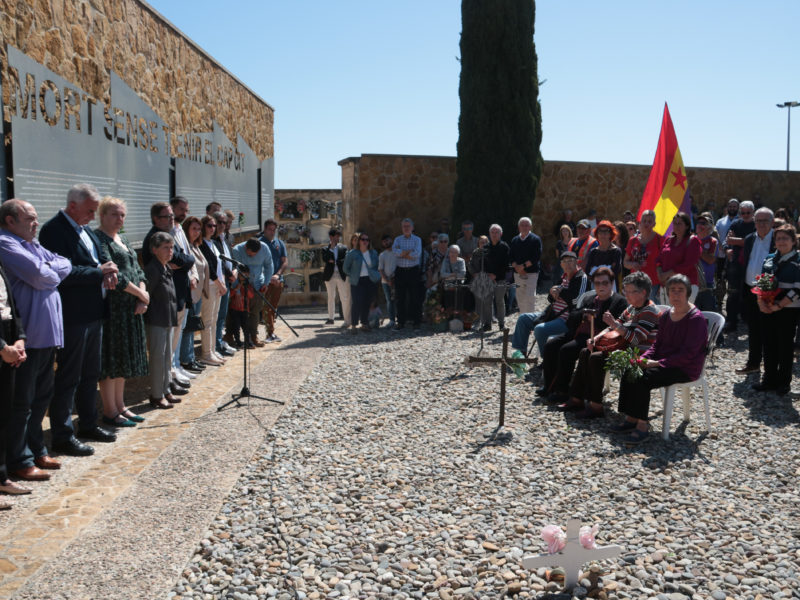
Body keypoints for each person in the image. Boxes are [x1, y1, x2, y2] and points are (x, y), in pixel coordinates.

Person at [38, 183, 118, 456]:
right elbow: (63, 273)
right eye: (90, 210)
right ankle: (62, 435)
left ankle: (88, 423)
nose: (93, 216)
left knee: (90, 374)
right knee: (69, 377)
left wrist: (107, 271)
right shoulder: (53, 231)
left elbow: (100, 258)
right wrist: (99, 272)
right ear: (73, 206)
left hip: (94, 312)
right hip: (73, 315)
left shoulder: (84, 229)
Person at [0, 199, 70, 480]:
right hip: (27, 338)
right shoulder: (6, 242)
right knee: (23, 403)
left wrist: (48, 270)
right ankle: (20, 459)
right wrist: (49, 271)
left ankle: (35, 447)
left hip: (47, 335)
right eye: (29, 218)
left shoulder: (31, 243)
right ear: (10, 220)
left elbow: (64, 264)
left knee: (42, 397)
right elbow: (39, 275)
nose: (36, 223)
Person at [613, 274, 708, 444]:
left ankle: (643, 426)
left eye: (680, 290)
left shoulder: (695, 319)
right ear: (667, 293)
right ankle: (631, 418)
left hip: (686, 367)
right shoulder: (666, 316)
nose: (676, 294)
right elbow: (657, 346)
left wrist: (656, 363)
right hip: (666, 362)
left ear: (688, 293)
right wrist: (642, 358)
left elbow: (688, 355)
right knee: (631, 368)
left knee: (643, 377)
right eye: (672, 290)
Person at [562, 271, 660, 418]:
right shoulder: (632, 307)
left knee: (596, 358)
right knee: (585, 351)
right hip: (624, 347)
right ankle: (577, 398)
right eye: (625, 291)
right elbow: (613, 326)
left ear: (643, 292)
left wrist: (615, 325)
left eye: (629, 291)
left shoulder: (649, 311)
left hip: (638, 352)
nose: (626, 295)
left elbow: (636, 339)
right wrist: (595, 338)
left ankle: (596, 405)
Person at [94, 197, 150, 428]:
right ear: (103, 215)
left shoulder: (124, 239)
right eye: (114, 214)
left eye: (122, 215)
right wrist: (140, 294)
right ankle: (110, 410)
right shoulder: (99, 239)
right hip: (114, 310)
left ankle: (121, 405)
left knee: (124, 360)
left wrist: (143, 296)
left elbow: (138, 270)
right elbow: (116, 277)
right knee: (113, 360)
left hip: (132, 308)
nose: (119, 219)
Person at [537, 268, 627, 400]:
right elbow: (572, 316)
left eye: (605, 283)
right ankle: (549, 385)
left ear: (612, 283)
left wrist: (596, 318)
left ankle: (562, 390)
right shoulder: (589, 298)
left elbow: (614, 327)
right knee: (550, 346)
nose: (601, 286)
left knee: (566, 350)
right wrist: (583, 315)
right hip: (577, 332)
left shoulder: (619, 301)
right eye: (597, 283)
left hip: (597, 338)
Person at [142, 202, 196, 393]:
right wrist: (182, 262)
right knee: (161, 351)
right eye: (167, 217)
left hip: (175, 298)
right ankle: (163, 386)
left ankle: (168, 380)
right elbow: (180, 261)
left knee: (170, 347)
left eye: (173, 216)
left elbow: (187, 260)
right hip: (160, 308)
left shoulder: (171, 235)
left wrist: (183, 262)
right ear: (156, 219)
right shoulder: (155, 239)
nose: (172, 219)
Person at [510, 251, 587, 373]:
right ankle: (521, 356)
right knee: (523, 318)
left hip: (568, 320)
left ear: (577, 262)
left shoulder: (581, 277)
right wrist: (552, 292)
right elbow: (551, 299)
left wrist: (560, 292)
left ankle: (548, 360)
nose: (567, 264)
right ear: (561, 264)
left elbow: (577, 301)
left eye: (570, 261)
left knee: (540, 329)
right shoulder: (562, 277)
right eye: (564, 262)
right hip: (551, 314)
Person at [754, 223, 800, 394]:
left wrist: (778, 306)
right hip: (767, 307)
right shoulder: (769, 258)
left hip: (787, 309)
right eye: (778, 238)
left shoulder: (797, 261)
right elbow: (761, 281)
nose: (781, 241)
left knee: (785, 346)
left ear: (793, 241)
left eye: (785, 238)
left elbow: (797, 289)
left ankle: (783, 382)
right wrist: (761, 302)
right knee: (769, 344)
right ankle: (769, 379)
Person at [0, 259, 28, 504]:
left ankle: (1, 478)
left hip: (8, 335)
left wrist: (19, 339)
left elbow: (12, 304)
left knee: (3, 414)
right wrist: (1, 348)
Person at [736, 207, 775, 375]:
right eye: (758, 220)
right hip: (751, 289)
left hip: (770, 291)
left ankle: (772, 368)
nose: (761, 224)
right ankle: (753, 363)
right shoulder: (751, 238)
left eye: (765, 221)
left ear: (772, 222)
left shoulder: (777, 239)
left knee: (769, 331)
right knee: (754, 330)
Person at [144, 232, 180, 409]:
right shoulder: (152, 269)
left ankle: (166, 390)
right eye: (165, 247)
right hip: (156, 319)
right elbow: (146, 294)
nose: (170, 251)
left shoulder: (166, 267)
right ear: (154, 249)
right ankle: (157, 394)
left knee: (167, 357)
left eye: (171, 247)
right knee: (158, 358)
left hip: (167, 318)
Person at [170, 196, 200, 381]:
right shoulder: (169, 231)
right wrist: (187, 263)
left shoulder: (180, 230)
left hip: (187, 284)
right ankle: (172, 368)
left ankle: (177, 365)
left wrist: (194, 275)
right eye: (181, 209)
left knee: (180, 329)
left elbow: (188, 257)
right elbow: (178, 260)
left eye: (186, 210)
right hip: (175, 286)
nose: (184, 213)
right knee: (174, 331)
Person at [198, 215, 229, 362]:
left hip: (217, 287)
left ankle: (212, 350)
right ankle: (206, 354)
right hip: (209, 286)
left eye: (214, 226)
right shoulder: (201, 244)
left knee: (215, 320)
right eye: (209, 226)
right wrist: (220, 284)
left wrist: (222, 284)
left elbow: (220, 265)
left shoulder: (213, 243)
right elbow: (209, 268)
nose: (212, 228)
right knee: (207, 321)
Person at [232, 237, 274, 345]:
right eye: (250, 254)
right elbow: (234, 270)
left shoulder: (265, 248)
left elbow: (269, 266)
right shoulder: (237, 250)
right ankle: (236, 337)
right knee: (239, 314)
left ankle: (254, 336)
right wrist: (237, 291)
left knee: (255, 312)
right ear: (246, 247)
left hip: (258, 286)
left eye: (255, 254)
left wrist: (266, 282)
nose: (253, 256)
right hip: (242, 287)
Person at [181, 216, 209, 373]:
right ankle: (186, 359)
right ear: (186, 229)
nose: (197, 232)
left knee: (192, 328)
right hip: (190, 293)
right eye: (194, 229)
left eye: (199, 229)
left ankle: (190, 357)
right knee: (188, 328)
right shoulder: (186, 247)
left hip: (198, 293)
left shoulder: (196, 246)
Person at [723, 200, 756, 332]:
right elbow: (727, 241)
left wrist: (736, 241)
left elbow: (753, 241)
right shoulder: (736, 223)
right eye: (743, 212)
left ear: (752, 212)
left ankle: (747, 318)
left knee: (749, 292)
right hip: (736, 263)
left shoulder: (756, 224)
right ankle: (731, 320)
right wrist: (727, 250)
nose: (746, 215)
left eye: (748, 212)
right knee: (733, 293)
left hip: (751, 263)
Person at [655, 212, 702, 302]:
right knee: (668, 314)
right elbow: (659, 259)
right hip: (666, 285)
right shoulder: (668, 240)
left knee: (682, 314)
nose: (676, 226)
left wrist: (667, 274)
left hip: (685, 286)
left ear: (687, 226)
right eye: (675, 224)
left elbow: (689, 264)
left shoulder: (693, 241)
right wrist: (659, 273)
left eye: (679, 223)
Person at [474, 224, 510, 330]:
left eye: (496, 232)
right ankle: (487, 324)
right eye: (492, 232)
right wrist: (488, 275)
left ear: (501, 234)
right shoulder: (485, 248)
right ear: (489, 234)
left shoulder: (504, 247)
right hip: (487, 279)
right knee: (487, 301)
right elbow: (482, 264)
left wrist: (495, 275)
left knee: (499, 301)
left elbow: (506, 264)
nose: (494, 234)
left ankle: (501, 324)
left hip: (500, 278)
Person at [212, 211, 238, 356]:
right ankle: (214, 346)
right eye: (220, 222)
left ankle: (219, 342)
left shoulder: (225, 238)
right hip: (218, 283)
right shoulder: (212, 240)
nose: (223, 225)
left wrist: (235, 271)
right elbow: (219, 262)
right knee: (214, 317)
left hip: (227, 282)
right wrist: (230, 274)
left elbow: (231, 257)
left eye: (225, 222)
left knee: (222, 315)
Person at [344, 232, 380, 332]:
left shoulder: (373, 253)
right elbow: (345, 268)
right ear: (359, 241)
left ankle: (364, 323)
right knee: (356, 303)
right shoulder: (352, 253)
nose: (365, 242)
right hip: (357, 281)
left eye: (367, 240)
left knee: (366, 302)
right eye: (363, 239)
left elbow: (376, 266)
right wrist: (353, 275)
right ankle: (354, 325)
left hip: (369, 280)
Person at [258, 219, 287, 342]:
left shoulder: (279, 243)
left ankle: (271, 332)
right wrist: (269, 278)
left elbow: (284, 261)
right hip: (265, 281)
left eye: (274, 230)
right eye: (270, 229)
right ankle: (270, 333)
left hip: (277, 280)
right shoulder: (259, 243)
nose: (272, 232)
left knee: (273, 307)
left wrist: (278, 275)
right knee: (266, 307)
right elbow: (257, 263)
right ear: (265, 229)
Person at [392, 218, 422, 330]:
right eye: (404, 226)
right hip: (400, 271)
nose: (406, 228)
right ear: (401, 228)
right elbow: (395, 251)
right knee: (400, 298)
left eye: (408, 226)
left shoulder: (417, 240)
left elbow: (417, 254)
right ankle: (400, 322)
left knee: (415, 297)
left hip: (413, 271)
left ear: (412, 228)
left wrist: (402, 253)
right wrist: (408, 252)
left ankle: (416, 321)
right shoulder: (397, 239)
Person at [624, 210, 661, 301]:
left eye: (649, 221)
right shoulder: (632, 241)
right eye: (644, 221)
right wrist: (632, 265)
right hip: (635, 285)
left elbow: (666, 264)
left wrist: (662, 285)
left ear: (654, 224)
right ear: (640, 222)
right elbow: (625, 262)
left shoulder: (660, 240)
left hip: (653, 285)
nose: (646, 224)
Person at [510, 217, 542, 314]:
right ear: (519, 227)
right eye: (522, 225)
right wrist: (517, 267)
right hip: (518, 274)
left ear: (530, 227)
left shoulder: (536, 239)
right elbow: (511, 256)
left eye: (526, 225)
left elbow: (536, 256)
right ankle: (523, 320)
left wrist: (522, 266)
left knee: (530, 297)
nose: (524, 227)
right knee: (520, 297)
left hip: (531, 274)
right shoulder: (515, 240)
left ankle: (530, 320)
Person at [714, 198, 740, 310]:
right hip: (721, 255)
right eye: (730, 206)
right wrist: (720, 245)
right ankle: (720, 301)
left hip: (735, 256)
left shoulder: (741, 221)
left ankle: (735, 304)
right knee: (720, 280)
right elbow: (716, 235)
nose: (732, 208)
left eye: (734, 206)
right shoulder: (720, 221)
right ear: (727, 207)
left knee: (734, 281)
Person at [322, 229, 351, 326]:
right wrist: (331, 248)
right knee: (331, 297)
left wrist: (335, 261)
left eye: (339, 236)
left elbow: (345, 259)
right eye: (336, 236)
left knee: (344, 297)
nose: (338, 238)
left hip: (341, 275)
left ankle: (347, 319)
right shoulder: (325, 248)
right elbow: (325, 258)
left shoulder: (343, 248)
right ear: (331, 237)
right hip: (330, 276)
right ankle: (331, 318)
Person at [584, 221, 623, 287]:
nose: (603, 234)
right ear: (597, 234)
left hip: (612, 286)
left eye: (606, 231)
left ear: (611, 234)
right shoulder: (593, 252)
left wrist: (595, 269)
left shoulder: (616, 251)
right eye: (600, 231)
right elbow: (588, 271)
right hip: (595, 286)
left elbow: (615, 271)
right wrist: (608, 268)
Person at [694, 212, 719, 311]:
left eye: (703, 223)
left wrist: (696, 248)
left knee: (708, 312)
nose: (700, 225)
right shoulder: (691, 239)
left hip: (707, 283)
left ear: (709, 228)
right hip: (692, 282)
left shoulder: (713, 241)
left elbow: (710, 260)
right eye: (699, 222)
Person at [440, 245, 467, 310]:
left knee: (459, 296)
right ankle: (448, 314)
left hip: (458, 284)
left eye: (455, 252)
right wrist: (454, 274)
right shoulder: (445, 261)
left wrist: (449, 275)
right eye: (451, 252)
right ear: (448, 253)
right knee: (448, 297)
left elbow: (463, 274)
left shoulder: (461, 261)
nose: (453, 254)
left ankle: (458, 314)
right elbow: (442, 274)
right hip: (447, 284)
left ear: (458, 253)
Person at [378, 234, 397, 327]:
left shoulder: (397, 252)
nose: (386, 242)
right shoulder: (382, 255)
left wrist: (394, 278)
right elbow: (380, 269)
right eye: (384, 241)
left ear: (391, 240)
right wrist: (387, 280)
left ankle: (401, 319)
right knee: (389, 301)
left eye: (387, 240)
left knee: (399, 300)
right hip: (386, 282)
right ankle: (392, 320)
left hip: (396, 280)